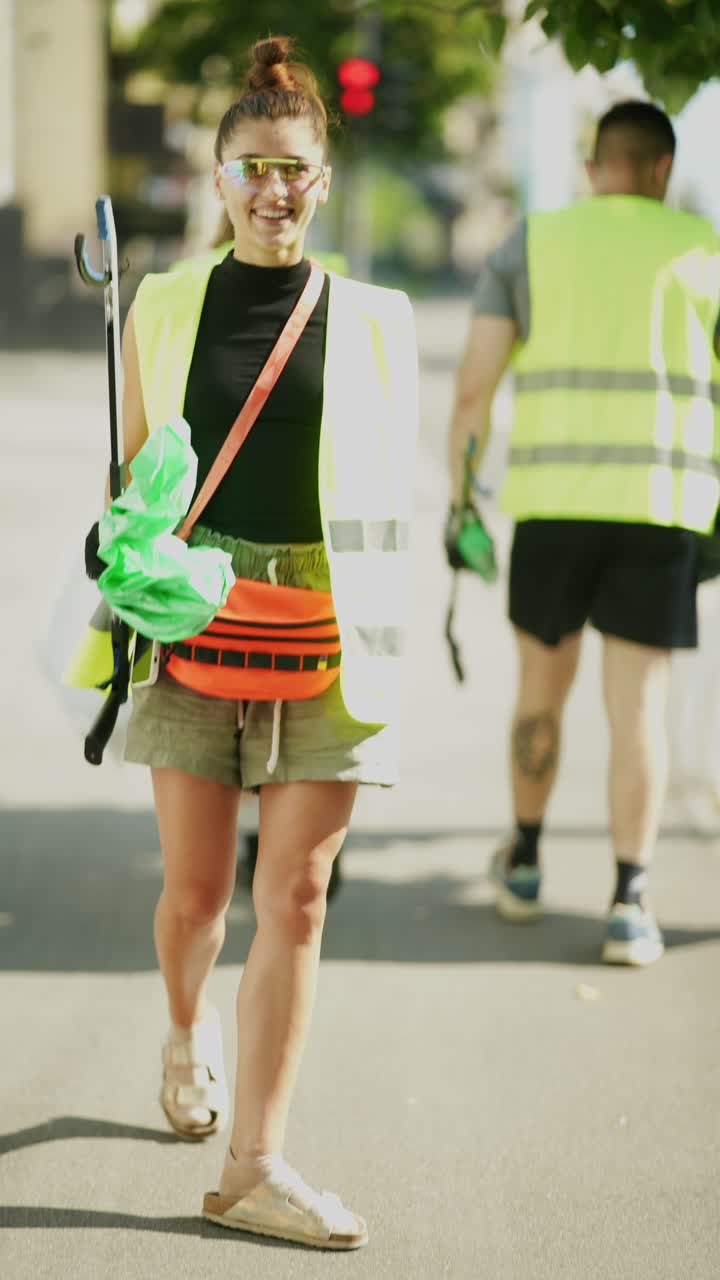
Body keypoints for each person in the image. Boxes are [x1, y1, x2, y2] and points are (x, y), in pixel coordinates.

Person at [114, 36, 417, 1248]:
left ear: (324, 181)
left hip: (329, 621)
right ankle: (185, 1029)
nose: (274, 190)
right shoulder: (164, 300)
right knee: (196, 893)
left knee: (294, 894)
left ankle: (256, 1163)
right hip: (198, 606)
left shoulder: (379, 317)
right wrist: (128, 543)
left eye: (295, 170)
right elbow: (134, 472)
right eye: (253, 168)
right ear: (221, 175)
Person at [446, 100, 720, 967]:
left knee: (541, 690)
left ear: (596, 165)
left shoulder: (532, 243)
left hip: (553, 505)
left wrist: (463, 503)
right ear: (662, 171)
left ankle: (525, 860)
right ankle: (631, 902)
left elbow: (471, 395)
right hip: (659, 507)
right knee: (637, 707)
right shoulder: (704, 254)